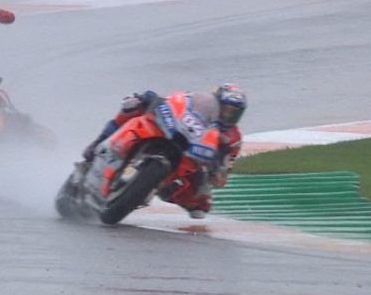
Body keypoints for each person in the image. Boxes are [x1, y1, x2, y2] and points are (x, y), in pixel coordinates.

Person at [80, 84, 247, 219]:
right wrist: (150, 99)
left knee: (201, 206)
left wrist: (217, 170)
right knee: (133, 105)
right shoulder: (199, 102)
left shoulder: (233, 138)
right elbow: (176, 100)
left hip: (191, 160)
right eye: (225, 108)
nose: (227, 115)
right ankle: (98, 144)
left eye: (233, 113)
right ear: (216, 102)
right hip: (172, 132)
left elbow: (224, 173)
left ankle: (149, 190)